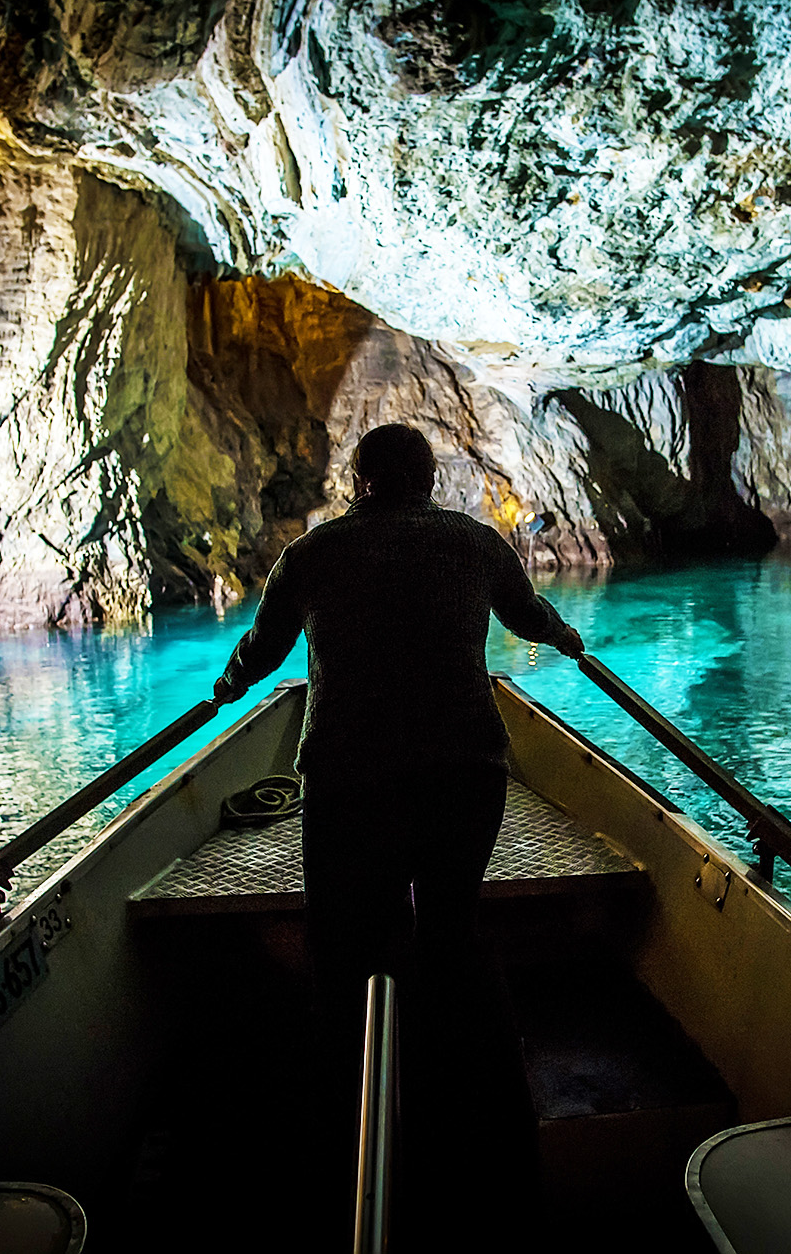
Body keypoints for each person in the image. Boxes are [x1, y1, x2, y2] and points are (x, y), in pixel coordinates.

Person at [210, 422, 583, 1245]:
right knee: (449, 925)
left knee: (346, 943)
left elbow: (265, 653)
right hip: (466, 773)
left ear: (360, 481)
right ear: (427, 480)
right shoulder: (475, 542)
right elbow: (526, 616)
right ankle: (461, 1089)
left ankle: (348, 1097)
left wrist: (226, 684)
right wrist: (566, 636)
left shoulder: (311, 555)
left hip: (350, 780)